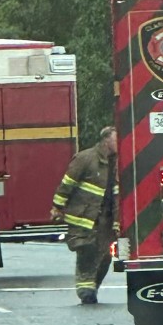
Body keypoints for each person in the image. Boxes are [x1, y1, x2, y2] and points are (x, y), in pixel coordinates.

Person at [50, 126, 118, 305]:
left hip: (106, 220)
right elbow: (67, 184)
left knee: (105, 256)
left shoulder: (118, 162)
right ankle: (85, 292)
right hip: (84, 217)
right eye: (115, 139)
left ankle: (92, 287)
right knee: (86, 252)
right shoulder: (85, 158)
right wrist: (57, 207)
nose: (119, 143)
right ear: (105, 140)